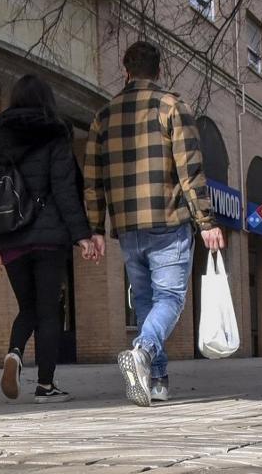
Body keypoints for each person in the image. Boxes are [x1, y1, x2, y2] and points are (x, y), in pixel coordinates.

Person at [85, 40, 225, 407]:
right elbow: (190, 169)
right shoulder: (172, 107)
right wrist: (206, 220)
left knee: (146, 301)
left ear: (126, 71)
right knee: (170, 299)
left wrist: (95, 228)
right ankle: (143, 352)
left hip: (128, 225)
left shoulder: (103, 116)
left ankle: (158, 381)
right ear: (158, 71)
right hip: (167, 218)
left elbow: (92, 178)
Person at [0, 74, 95, 403]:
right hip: (49, 237)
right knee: (48, 312)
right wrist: (82, 235)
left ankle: (14, 353)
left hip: (11, 237)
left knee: (26, 307)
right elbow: (65, 188)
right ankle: (45, 385)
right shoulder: (55, 132)